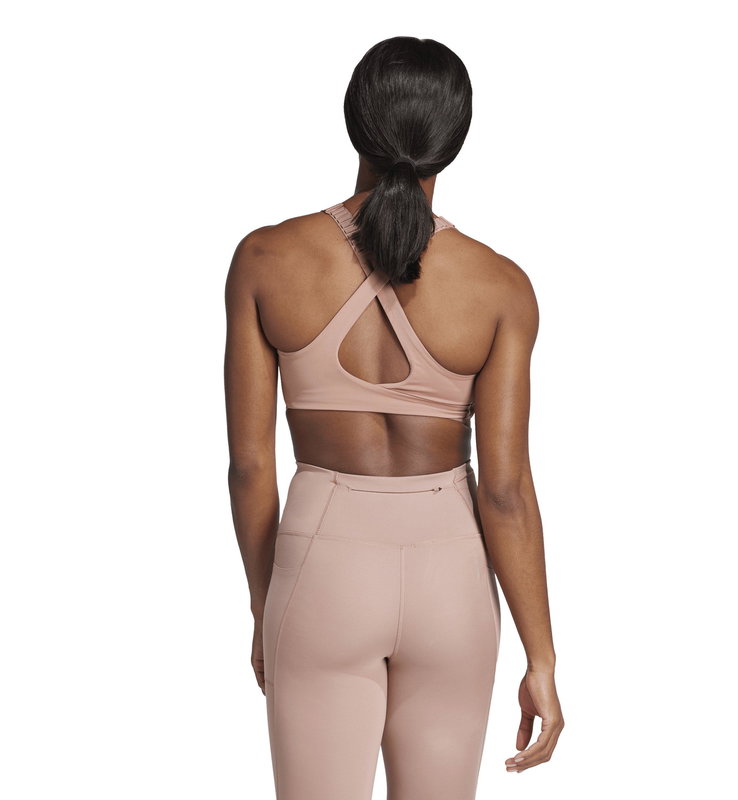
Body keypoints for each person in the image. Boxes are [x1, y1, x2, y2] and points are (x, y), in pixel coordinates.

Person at [224, 35, 564, 800]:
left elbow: (250, 467)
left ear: (354, 122)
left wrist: (265, 602)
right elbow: (505, 490)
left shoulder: (265, 260)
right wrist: (541, 657)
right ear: (453, 141)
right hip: (452, 576)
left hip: (321, 572)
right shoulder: (500, 286)